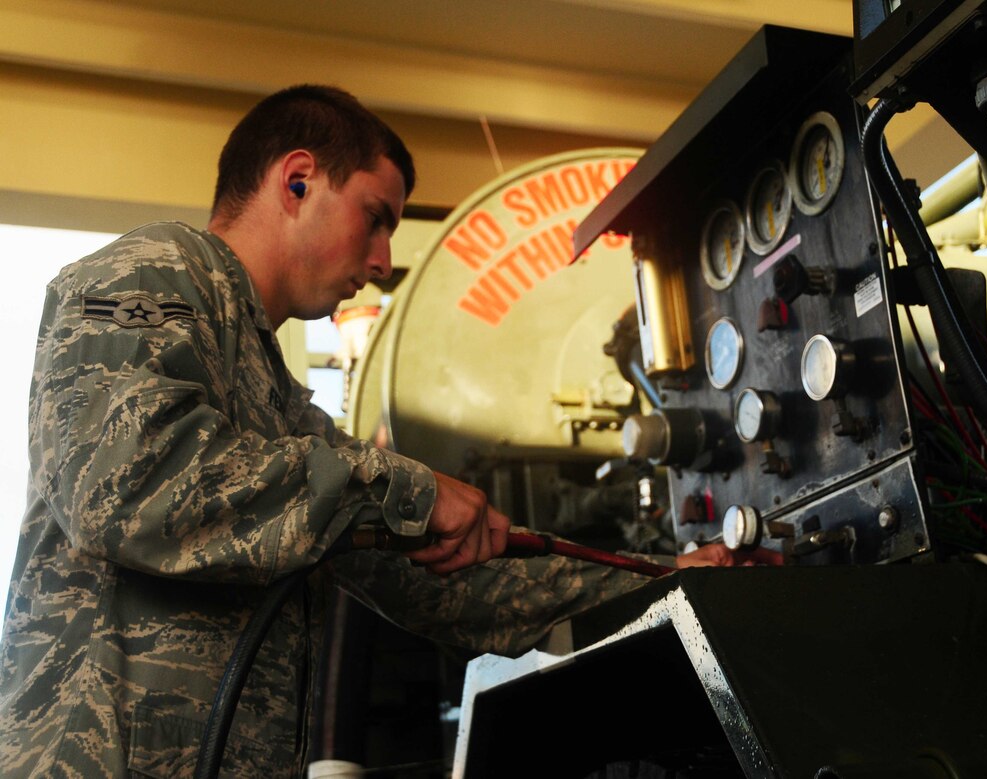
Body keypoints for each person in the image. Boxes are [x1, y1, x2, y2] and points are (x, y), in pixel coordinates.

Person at [0, 85, 724, 778]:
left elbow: (446, 583)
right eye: (375, 216)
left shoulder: (280, 405)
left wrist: (662, 583)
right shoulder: (153, 268)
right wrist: (405, 485)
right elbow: (126, 482)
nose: (381, 262)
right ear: (297, 181)